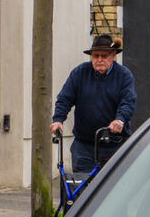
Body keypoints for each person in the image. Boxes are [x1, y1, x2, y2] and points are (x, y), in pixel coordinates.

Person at [50, 34, 136, 174]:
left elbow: (128, 101)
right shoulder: (80, 73)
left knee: (112, 186)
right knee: (82, 187)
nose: (99, 60)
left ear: (113, 55)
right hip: (84, 145)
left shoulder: (124, 75)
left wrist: (120, 119)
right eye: (96, 56)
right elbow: (65, 98)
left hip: (114, 144)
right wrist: (58, 120)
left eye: (104, 55)